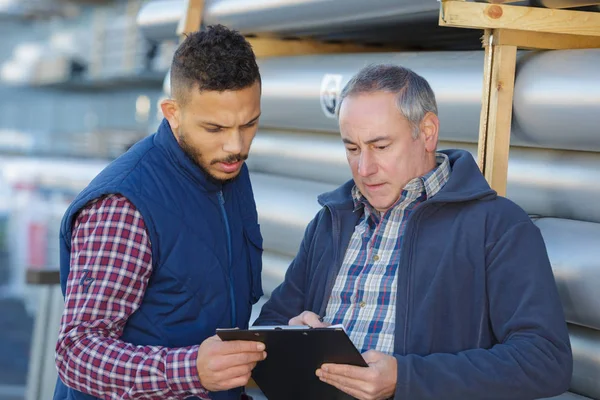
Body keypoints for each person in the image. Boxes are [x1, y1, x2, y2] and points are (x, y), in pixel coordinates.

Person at [255, 64, 573, 400]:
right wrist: (292, 336)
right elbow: (269, 323)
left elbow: (545, 360)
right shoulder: (331, 221)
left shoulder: (497, 226)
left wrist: (406, 378)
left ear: (427, 132)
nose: (364, 168)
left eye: (381, 146)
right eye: (352, 148)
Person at [54, 25, 266, 400]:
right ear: (173, 113)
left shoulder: (226, 171)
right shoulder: (125, 205)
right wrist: (191, 371)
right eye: (214, 128)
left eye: (248, 124)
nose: (235, 145)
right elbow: (77, 353)